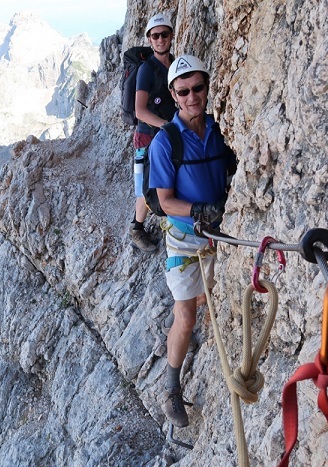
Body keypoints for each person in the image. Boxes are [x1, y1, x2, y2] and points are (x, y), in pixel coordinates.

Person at [148, 55, 237, 427]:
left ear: (206, 86)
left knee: (201, 300)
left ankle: (180, 330)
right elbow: (165, 201)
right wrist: (201, 210)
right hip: (185, 241)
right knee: (186, 317)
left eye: (197, 88)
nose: (191, 97)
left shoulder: (220, 128)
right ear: (173, 94)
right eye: (183, 91)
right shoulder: (165, 142)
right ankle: (170, 388)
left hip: (216, 236)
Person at [129, 13, 178, 253]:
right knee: (146, 184)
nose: (160, 39)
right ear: (149, 39)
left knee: (169, 175)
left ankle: (171, 214)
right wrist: (166, 126)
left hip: (167, 132)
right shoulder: (146, 70)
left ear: (171, 36)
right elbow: (139, 111)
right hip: (149, 134)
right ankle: (137, 228)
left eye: (164, 34)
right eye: (155, 35)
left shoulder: (175, 63)